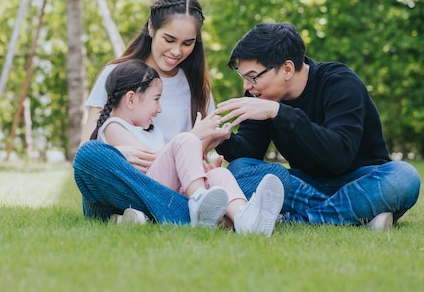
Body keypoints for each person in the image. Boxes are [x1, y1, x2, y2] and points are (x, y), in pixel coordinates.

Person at [73, 0, 291, 226]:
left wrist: (205, 155)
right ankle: (214, 216)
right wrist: (119, 155)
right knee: (90, 156)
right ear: (151, 28)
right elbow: (86, 148)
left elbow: (191, 158)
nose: (177, 51)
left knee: (275, 175)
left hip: (179, 185)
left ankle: (178, 214)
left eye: (187, 43)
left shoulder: (197, 87)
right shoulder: (117, 74)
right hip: (125, 185)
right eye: (169, 40)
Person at [214, 22, 421, 230]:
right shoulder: (258, 94)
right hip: (304, 186)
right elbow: (250, 152)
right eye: (243, 78)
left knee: (404, 177)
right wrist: (222, 138)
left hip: (361, 181)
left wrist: (279, 112)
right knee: (238, 170)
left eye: (252, 77)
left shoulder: (340, 82)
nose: (247, 86)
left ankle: (297, 218)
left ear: (287, 68)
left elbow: (338, 157)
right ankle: (358, 216)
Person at [92, 59, 284, 234]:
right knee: (185, 139)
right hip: (148, 193)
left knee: (219, 175)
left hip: (170, 191)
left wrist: (210, 144)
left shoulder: (152, 132)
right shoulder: (113, 127)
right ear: (131, 99)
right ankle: (199, 200)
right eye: (156, 99)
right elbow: (152, 161)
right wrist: (195, 135)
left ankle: (245, 218)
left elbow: (174, 161)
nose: (159, 109)